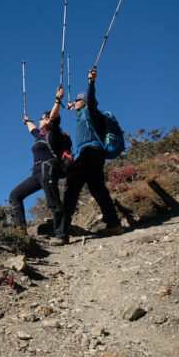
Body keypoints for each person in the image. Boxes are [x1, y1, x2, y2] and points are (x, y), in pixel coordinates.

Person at [63, 66, 122, 236]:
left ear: (85, 101)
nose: (74, 102)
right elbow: (77, 111)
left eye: (77, 100)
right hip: (95, 155)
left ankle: (62, 231)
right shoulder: (81, 115)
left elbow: (91, 97)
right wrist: (70, 105)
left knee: (72, 187)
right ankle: (113, 224)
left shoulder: (91, 112)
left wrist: (91, 82)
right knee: (98, 190)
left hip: (89, 152)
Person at [9, 86, 68, 245]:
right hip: (37, 173)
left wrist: (57, 100)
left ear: (48, 121)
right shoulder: (40, 136)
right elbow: (33, 130)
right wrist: (28, 121)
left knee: (53, 202)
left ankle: (61, 236)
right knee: (15, 195)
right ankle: (20, 233)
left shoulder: (54, 134)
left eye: (42, 118)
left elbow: (55, 117)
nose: (40, 120)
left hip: (48, 170)